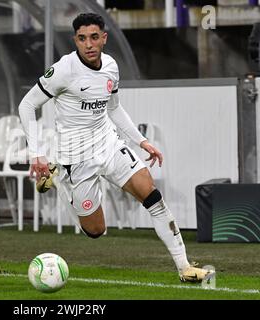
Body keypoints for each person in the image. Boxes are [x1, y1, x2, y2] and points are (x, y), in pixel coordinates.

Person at [18, 13, 214, 283]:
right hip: (76, 156)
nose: (89, 44)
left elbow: (114, 108)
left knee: (151, 194)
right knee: (96, 230)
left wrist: (141, 141)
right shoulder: (64, 70)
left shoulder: (110, 65)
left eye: (94, 37)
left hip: (109, 144)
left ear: (104, 38)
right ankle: (59, 179)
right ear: (75, 40)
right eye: (82, 38)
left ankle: (184, 267)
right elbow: (27, 105)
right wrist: (36, 153)